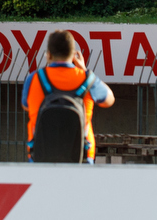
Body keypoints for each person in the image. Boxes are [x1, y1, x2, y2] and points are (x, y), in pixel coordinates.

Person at [21, 29, 114, 163]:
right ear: (73, 55)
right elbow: (109, 100)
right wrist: (84, 69)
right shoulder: (87, 79)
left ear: (48, 55)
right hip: (82, 159)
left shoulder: (34, 78)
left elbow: (26, 106)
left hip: (40, 157)